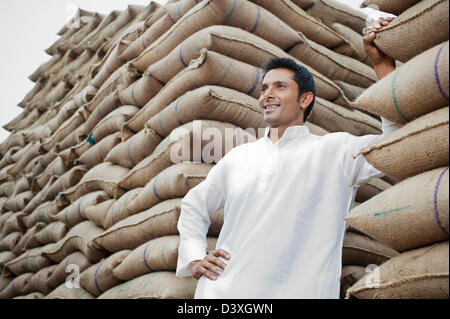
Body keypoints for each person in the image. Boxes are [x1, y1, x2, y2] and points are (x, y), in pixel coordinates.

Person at [175, 17, 399, 298]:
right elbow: (193, 204)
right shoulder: (239, 158)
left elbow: (395, 142)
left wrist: (383, 67)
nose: (267, 95)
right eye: (264, 88)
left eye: (280, 87)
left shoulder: (335, 152)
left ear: (305, 100)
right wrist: (195, 258)